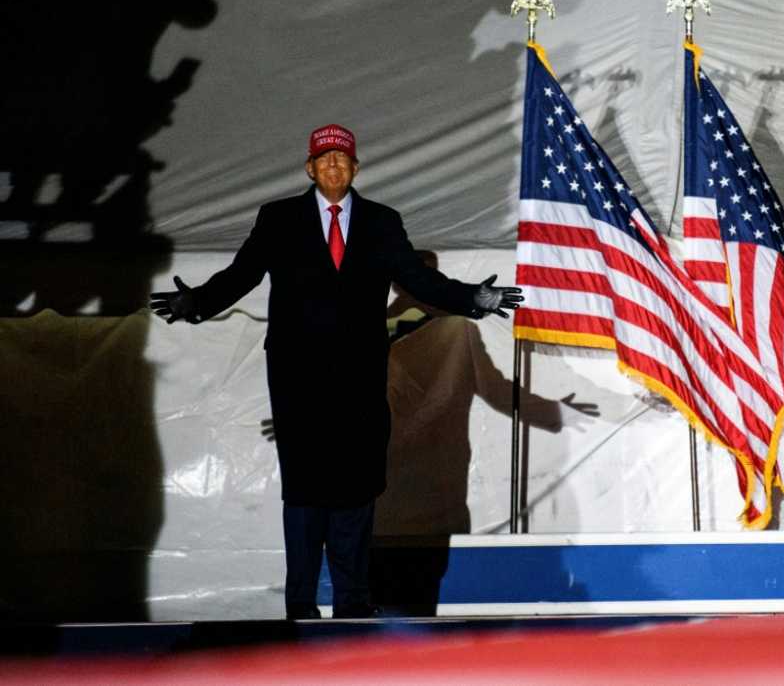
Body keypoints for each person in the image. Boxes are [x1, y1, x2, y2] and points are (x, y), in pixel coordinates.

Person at [149, 123, 522, 619]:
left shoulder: (382, 222)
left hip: (359, 382)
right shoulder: (278, 218)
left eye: (342, 159)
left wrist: (472, 297)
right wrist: (195, 302)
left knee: (355, 489)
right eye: (324, 159)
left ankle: (352, 603)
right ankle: (300, 607)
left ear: (355, 168)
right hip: (297, 382)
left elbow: (418, 280)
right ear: (310, 167)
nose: (332, 166)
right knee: (305, 494)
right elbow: (241, 275)